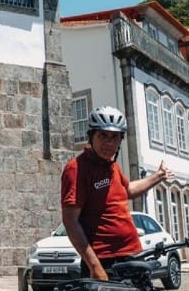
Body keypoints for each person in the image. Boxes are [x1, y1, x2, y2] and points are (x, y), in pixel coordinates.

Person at [61, 106, 174, 281]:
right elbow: (70, 221)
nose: (109, 143)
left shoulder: (111, 165)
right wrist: (94, 266)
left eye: (114, 137)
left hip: (132, 254)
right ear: (91, 136)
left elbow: (128, 190)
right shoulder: (76, 168)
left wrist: (158, 176)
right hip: (105, 261)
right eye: (103, 136)